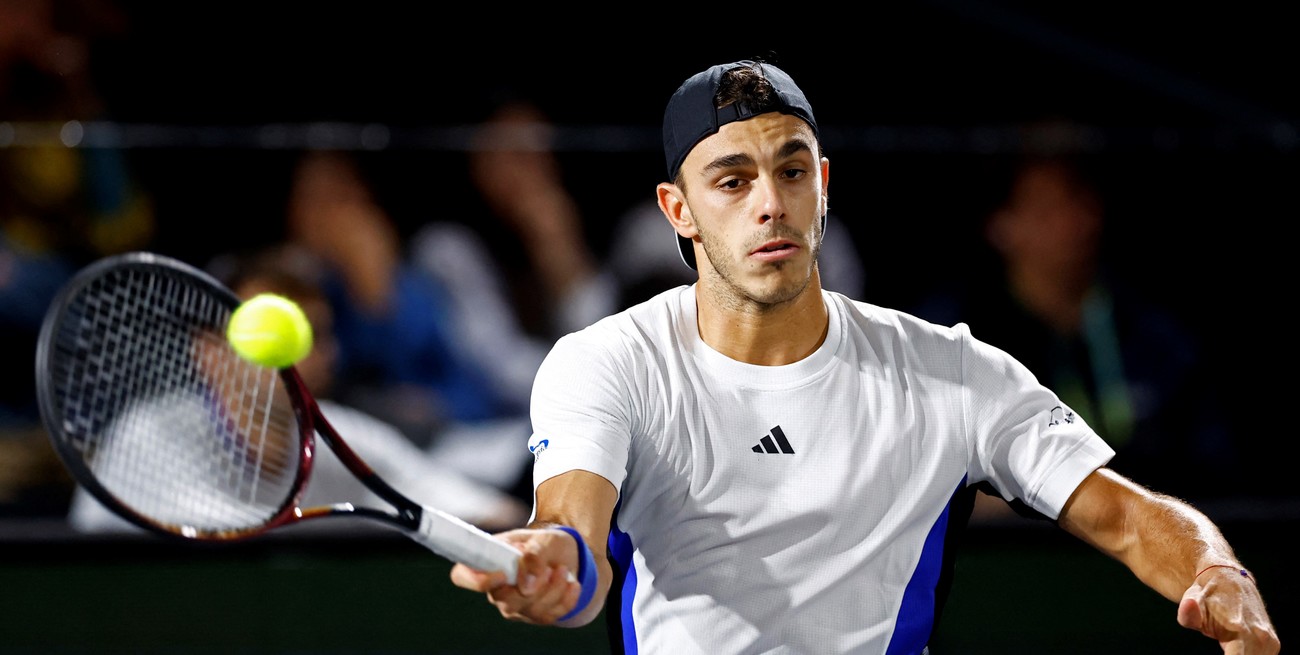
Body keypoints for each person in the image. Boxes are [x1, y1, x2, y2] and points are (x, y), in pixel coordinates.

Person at [447, 60, 1280, 654]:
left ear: (824, 183)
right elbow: (571, 535)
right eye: (732, 181)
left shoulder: (951, 373)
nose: (771, 203)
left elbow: (1133, 517)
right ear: (680, 209)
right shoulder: (608, 363)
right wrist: (553, 562)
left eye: (791, 169)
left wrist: (1216, 568)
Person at [68, 245, 530, 534]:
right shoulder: (149, 442)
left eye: (319, 334)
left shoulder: (348, 438)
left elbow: (480, 509)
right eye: (277, 334)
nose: (307, 351)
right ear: (209, 353)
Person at [910, 153, 1238, 510]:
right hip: (1010, 551)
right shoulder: (953, 331)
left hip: (1146, 535)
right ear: (1001, 225)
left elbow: (1214, 465)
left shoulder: (1156, 334)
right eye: (1047, 210)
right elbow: (918, 475)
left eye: (1080, 203)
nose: (1073, 223)